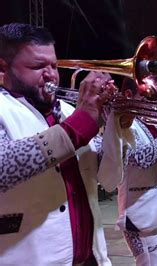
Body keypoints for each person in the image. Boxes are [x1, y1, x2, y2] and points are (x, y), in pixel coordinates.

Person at [0, 23, 112, 264]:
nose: (50, 74)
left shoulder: (68, 110)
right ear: (3, 67)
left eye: (54, 65)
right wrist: (80, 124)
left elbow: (107, 175)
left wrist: (116, 125)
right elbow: (3, 166)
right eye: (38, 66)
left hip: (90, 256)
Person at [98, 78, 157, 265]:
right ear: (129, 95)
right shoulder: (123, 122)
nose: (153, 102)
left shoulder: (152, 121)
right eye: (147, 96)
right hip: (140, 214)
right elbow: (142, 158)